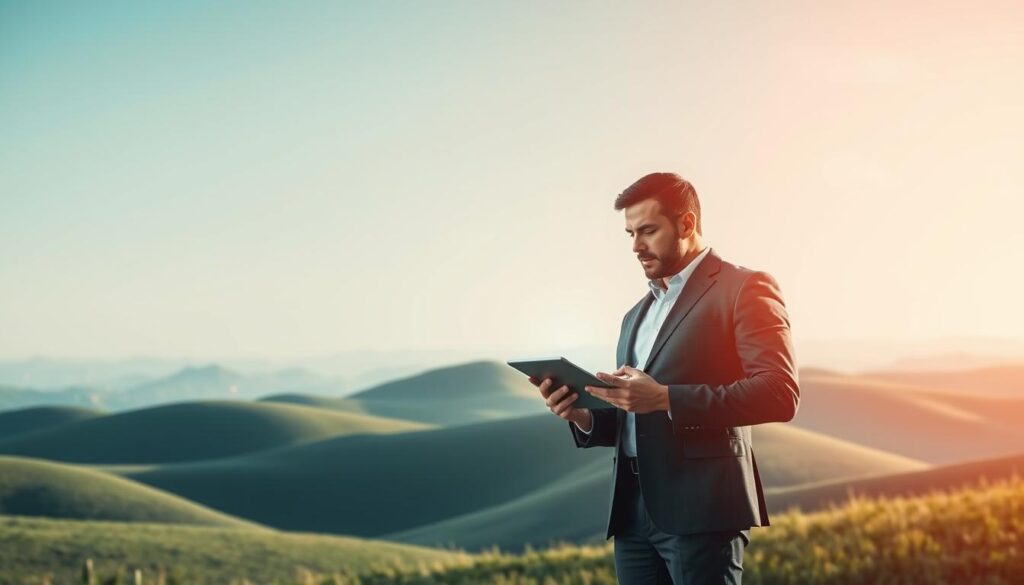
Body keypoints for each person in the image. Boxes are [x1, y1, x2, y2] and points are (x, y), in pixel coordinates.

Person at [531, 172, 799, 584]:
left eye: (648, 230)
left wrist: (665, 398)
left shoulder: (744, 288)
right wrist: (582, 415)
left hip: (703, 511)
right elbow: (633, 414)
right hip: (633, 515)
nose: (637, 246)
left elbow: (779, 393)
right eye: (630, 234)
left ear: (687, 224)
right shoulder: (634, 315)